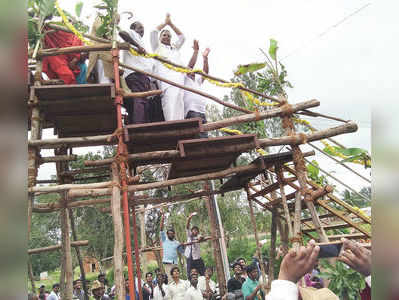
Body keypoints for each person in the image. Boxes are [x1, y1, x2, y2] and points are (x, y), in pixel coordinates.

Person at [150, 13, 186, 121]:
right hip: (166, 81)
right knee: (170, 102)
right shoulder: (157, 47)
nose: (167, 37)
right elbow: (153, 32)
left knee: (179, 102)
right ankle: (172, 124)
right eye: (164, 35)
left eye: (169, 36)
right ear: (160, 37)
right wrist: (165, 23)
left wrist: (171, 24)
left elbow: (182, 37)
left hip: (179, 79)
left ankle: (180, 125)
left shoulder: (174, 48)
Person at [119, 21, 154, 125]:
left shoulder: (140, 40)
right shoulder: (132, 33)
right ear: (133, 28)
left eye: (143, 28)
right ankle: (140, 124)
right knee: (140, 99)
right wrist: (137, 46)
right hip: (136, 73)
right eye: (140, 27)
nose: (142, 30)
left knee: (142, 100)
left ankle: (141, 122)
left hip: (143, 75)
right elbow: (122, 33)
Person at [183, 40, 210, 138]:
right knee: (198, 135)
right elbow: (190, 65)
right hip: (191, 110)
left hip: (201, 111)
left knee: (204, 134)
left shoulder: (197, 81)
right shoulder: (185, 79)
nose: (192, 71)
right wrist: (196, 51)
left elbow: (205, 72)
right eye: (191, 70)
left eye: (194, 71)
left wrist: (205, 58)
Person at [160, 209, 183, 276]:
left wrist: (182, 245)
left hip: (175, 263)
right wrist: (163, 218)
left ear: (174, 234)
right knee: (170, 279)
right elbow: (161, 229)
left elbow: (181, 251)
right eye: (169, 233)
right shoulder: (164, 240)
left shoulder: (177, 242)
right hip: (167, 262)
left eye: (172, 233)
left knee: (176, 277)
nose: (170, 234)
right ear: (167, 234)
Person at [185, 212, 205, 276]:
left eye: (196, 230)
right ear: (191, 231)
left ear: (198, 232)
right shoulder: (189, 236)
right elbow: (187, 226)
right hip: (189, 257)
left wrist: (198, 239)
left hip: (197, 258)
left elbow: (201, 237)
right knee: (189, 273)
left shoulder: (198, 236)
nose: (195, 231)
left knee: (202, 272)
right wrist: (189, 218)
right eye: (193, 230)